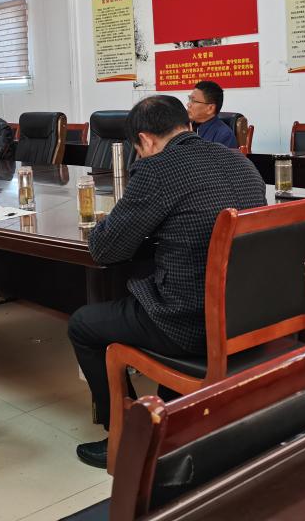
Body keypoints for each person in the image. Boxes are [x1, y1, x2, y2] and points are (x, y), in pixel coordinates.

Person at [69, 95, 266, 469]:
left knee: (83, 324)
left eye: (138, 149)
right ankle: (170, 414)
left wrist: (107, 221)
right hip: (252, 313)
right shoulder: (239, 161)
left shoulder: (157, 169)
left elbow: (105, 249)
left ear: (144, 140)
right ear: (187, 125)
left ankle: (127, 434)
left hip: (193, 324)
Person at [186, 80, 236, 148]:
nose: (188, 104)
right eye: (189, 99)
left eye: (193, 101)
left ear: (210, 108)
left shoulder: (224, 135)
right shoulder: (185, 128)